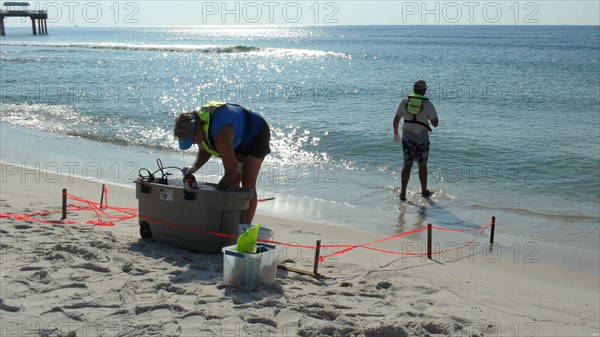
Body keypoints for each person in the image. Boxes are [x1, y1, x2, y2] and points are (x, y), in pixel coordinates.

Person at [174, 101, 271, 224]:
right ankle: (232, 221)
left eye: (191, 140)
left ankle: (244, 228)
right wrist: (193, 168)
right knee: (233, 184)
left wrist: (215, 195)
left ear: (198, 129)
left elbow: (231, 173)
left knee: (248, 185)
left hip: (256, 134)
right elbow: (205, 149)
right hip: (237, 136)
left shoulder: (221, 135)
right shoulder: (199, 126)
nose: (193, 143)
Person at [392, 80, 439, 201]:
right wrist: (426, 117)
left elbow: (396, 120)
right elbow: (435, 124)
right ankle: (424, 191)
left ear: (413, 90)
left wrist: (396, 133)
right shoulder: (428, 104)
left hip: (407, 139)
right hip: (422, 140)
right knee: (422, 166)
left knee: (407, 165)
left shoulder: (404, 101)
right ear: (424, 90)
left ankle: (403, 193)